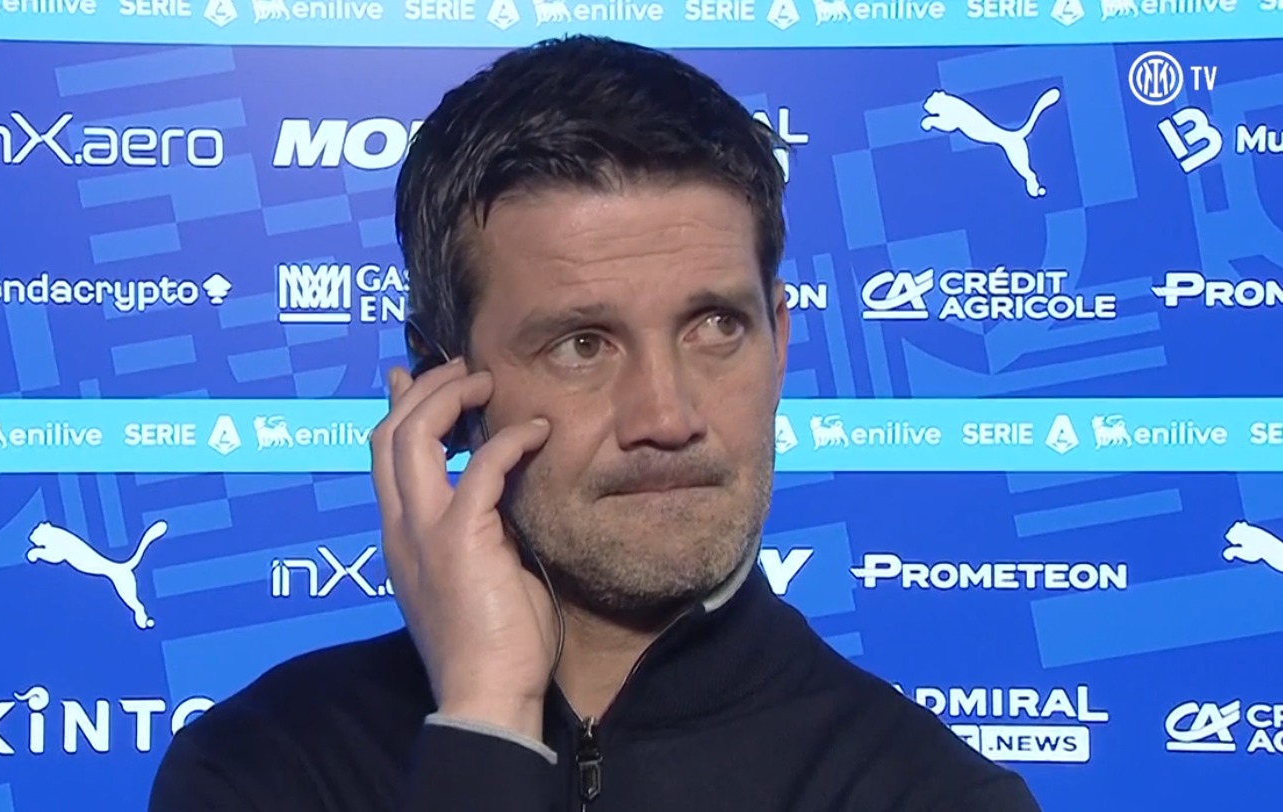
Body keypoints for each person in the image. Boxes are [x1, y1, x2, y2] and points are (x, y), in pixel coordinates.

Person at [148, 35, 1044, 812]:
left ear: (779, 342)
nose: (666, 416)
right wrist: (486, 720)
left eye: (715, 327)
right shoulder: (265, 768)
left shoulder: (930, 796)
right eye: (582, 345)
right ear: (441, 381)